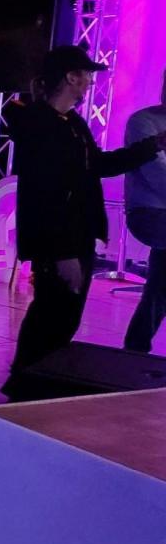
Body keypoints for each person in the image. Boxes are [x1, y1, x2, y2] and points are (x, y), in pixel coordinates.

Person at [1, 46, 166, 400]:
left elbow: (99, 166)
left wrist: (153, 145)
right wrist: (62, 255)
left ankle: (37, 382)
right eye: (86, 75)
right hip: (58, 240)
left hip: (78, 234)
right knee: (52, 313)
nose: (91, 82)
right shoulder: (41, 127)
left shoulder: (71, 123)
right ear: (71, 77)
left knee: (65, 314)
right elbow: (45, 194)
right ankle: (24, 384)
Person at [124, 70, 166, 353]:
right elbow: (158, 175)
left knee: (161, 283)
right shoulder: (144, 122)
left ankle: (136, 347)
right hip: (149, 212)